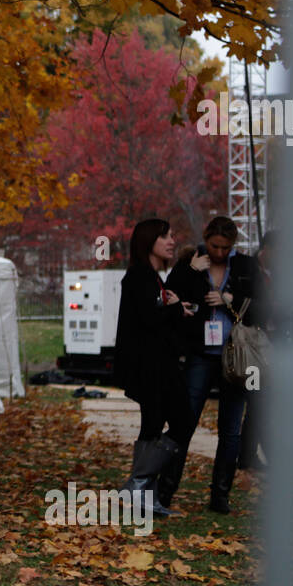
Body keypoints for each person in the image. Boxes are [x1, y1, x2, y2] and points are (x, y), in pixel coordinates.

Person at [163, 216, 256, 513]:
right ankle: (165, 490)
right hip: (200, 352)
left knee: (230, 429)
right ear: (206, 239)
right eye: (215, 246)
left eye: (225, 247)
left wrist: (231, 299)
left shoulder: (244, 266)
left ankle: (220, 495)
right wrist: (191, 270)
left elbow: (263, 304)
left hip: (234, 356)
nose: (219, 252)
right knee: (184, 422)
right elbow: (171, 294)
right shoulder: (192, 261)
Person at [112, 218, 195, 518]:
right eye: (167, 236)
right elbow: (148, 320)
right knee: (181, 421)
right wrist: (173, 309)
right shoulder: (140, 277)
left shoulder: (152, 277)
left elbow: (152, 317)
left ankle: (144, 493)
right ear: (151, 241)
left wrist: (175, 307)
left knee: (153, 424)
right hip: (151, 366)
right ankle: (138, 484)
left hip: (156, 363)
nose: (172, 241)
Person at [238, 230, 276, 471]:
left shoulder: (272, 275)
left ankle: (253, 454)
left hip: (267, 344)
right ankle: (250, 455)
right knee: (257, 400)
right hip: (253, 344)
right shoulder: (251, 271)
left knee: (261, 402)